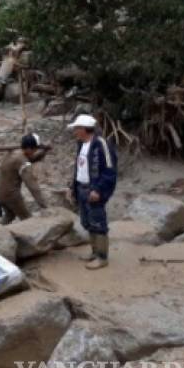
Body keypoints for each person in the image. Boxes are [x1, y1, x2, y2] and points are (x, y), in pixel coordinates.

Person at [67, 115, 117, 270]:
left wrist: (98, 189)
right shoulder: (81, 144)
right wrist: (72, 188)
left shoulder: (101, 144)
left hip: (94, 189)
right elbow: (79, 168)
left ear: (83, 129)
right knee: (87, 222)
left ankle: (102, 257)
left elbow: (110, 171)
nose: (74, 132)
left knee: (98, 222)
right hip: (82, 188)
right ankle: (95, 252)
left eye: (76, 129)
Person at [0, 134, 50, 224]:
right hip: (11, 195)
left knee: (9, 216)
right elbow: (32, 185)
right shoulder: (22, 162)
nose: (36, 151)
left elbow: (30, 158)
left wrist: (44, 151)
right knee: (27, 219)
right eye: (35, 149)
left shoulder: (14, 152)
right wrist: (43, 205)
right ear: (29, 148)